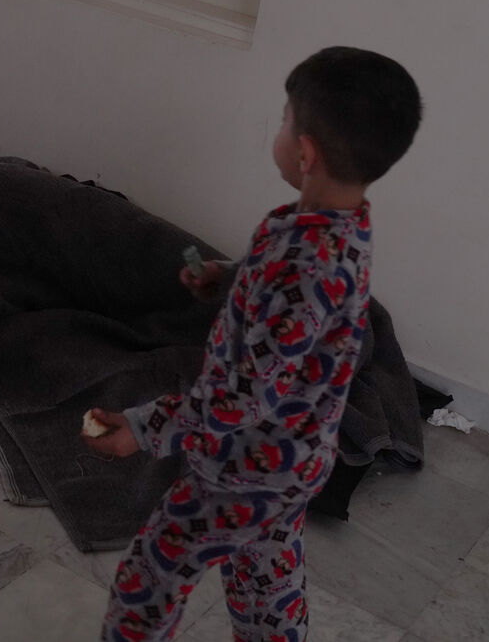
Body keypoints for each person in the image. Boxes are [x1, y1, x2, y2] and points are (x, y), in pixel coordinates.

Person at [82, 46, 423, 642]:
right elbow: (286, 297)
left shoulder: (307, 264)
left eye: (285, 119)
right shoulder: (333, 226)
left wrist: (144, 427)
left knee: (150, 578)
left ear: (305, 153)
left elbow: (245, 396)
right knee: (266, 581)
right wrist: (227, 279)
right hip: (295, 463)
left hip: (244, 468)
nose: (279, 128)